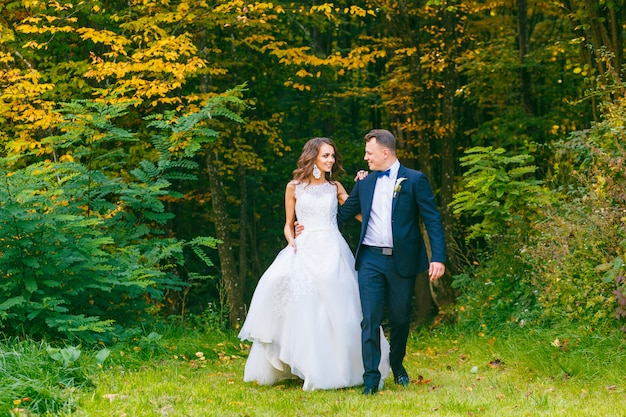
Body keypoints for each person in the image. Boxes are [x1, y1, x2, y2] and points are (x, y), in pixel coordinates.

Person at [238, 137, 390, 391]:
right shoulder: (294, 187)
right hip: (305, 245)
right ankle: (299, 363)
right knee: (297, 301)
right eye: (326, 156)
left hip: (333, 248)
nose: (331, 160)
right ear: (312, 157)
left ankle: (341, 367)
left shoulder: (336, 187)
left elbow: (360, 216)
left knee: (340, 306)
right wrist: (292, 240)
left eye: (332, 156)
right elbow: (288, 224)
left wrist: (364, 189)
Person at [336, 128, 446, 395]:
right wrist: (306, 224)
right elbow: (341, 215)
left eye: (369, 153)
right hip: (370, 259)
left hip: (402, 261)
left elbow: (432, 218)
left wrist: (438, 257)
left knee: (399, 318)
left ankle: (396, 364)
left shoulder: (415, 180)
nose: (365, 158)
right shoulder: (364, 182)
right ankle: (371, 378)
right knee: (370, 318)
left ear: (385, 153)